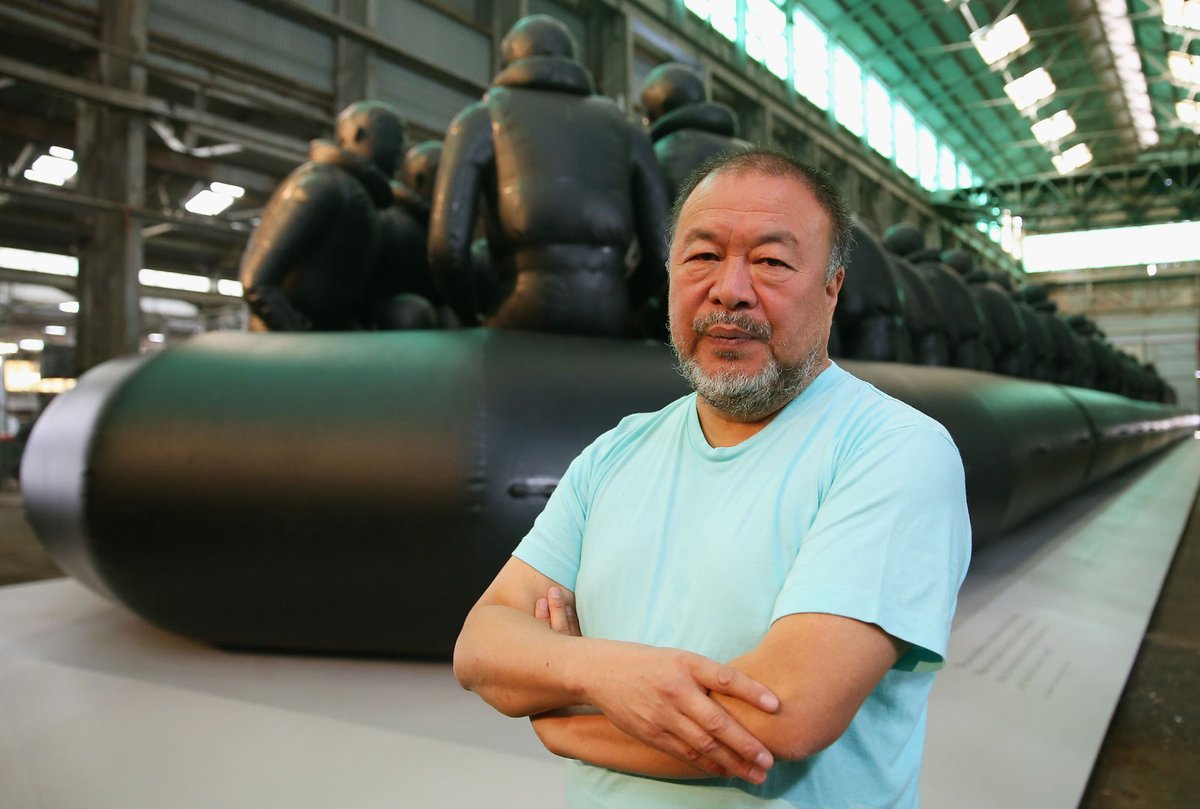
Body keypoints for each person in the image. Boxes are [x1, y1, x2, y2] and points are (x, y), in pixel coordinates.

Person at [453, 148, 971, 808]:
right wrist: (605, 670)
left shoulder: (893, 451)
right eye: (702, 257)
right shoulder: (618, 452)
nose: (730, 289)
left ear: (833, 286)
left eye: (772, 262)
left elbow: (780, 716)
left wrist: (561, 718)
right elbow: (482, 643)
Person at [427, 14, 668, 337]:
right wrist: (626, 301)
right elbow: (663, 252)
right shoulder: (626, 127)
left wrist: (471, 315)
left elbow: (447, 249)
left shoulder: (482, 118)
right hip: (609, 310)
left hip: (519, 314)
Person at [240, 100, 404, 331]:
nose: (400, 151)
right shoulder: (323, 184)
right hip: (295, 348)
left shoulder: (362, 198)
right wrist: (296, 336)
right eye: (394, 138)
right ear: (358, 133)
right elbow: (258, 282)